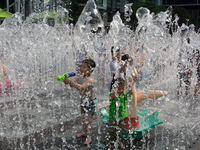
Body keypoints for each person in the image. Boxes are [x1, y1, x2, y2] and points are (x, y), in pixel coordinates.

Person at [107, 56, 138, 150]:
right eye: (118, 88)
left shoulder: (124, 95)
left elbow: (131, 93)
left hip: (121, 116)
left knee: (119, 131)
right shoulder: (113, 95)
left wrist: (131, 84)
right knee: (112, 131)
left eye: (122, 89)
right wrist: (117, 91)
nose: (120, 90)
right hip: (113, 117)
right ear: (115, 88)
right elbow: (113, 97)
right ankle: (109, 142)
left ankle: (119, 143)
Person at [63, 59, 96, 145]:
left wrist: (71, 82)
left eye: (84, 67)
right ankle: (84, 132)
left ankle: (89, 137)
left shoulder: (90, 80)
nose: (81, 68)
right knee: (83, 118)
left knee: (88, 120)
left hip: (90, 102)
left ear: (90, 70)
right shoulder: (80, 77)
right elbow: (73, 84)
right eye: (81, 66)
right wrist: (67, 81)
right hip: (83, 101)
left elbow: (81, 87)